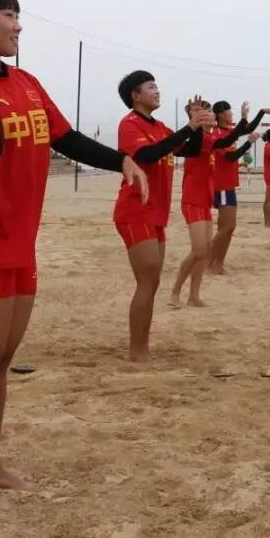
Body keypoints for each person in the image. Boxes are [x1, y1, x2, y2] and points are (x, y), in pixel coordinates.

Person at [0, 0, 148, 511]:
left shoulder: (27, 82)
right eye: (9, 14)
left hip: (21, 244)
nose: (19, 25)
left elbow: (64, 137)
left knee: (1, 361)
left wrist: (119, 158)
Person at [113, 73, 212, 361]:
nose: (157, 91)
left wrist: (198, 126)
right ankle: (137, 351)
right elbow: (146, 155)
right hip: (134, 211)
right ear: (135, 95)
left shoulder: (161, 127)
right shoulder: (129, 124)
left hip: (156, 214)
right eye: (151, 87)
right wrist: (188, 128)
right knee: (147, 280)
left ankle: (142, 345)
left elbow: (190, 150)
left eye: (157, 86)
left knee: (152, 281)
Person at [169, 100, 246, 307]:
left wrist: (246, 121)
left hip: (205, 200)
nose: (211, 115)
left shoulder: (211, 138)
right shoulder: (199, 139)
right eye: (208, 113)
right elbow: (191, 140)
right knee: (199, 250)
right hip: (192, 200)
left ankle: (194, 295)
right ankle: (175, 291)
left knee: (203, 252)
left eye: (211, 112)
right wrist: (193, 116)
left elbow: (228, 138)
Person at [209, 100, 270, 274]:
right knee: (226, 228)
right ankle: (208, 263)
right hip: (221, 186)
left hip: (229, 185)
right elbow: (230, 158)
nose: (232, 115)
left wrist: (261, 111)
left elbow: (246, 128)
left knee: (229, 228)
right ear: (221, 115)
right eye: (229, 112)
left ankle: (218, 263)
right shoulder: (216, 133)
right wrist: (249, 143)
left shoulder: (229, 131)